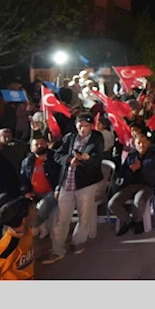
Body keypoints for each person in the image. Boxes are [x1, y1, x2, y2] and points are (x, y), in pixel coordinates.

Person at [42, 113, 105, 264]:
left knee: (84, 216)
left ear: (91, 126)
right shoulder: (69, 138)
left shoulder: (97, 138)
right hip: (66, 182)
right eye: (80, 126)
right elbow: (58, 155)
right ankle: (57, 249)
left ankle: (78, 241)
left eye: (86, 126)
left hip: (86, 183)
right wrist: (70, 159)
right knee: (62, 217)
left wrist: (84, 160)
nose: (83, 129)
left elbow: (97, 158)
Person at [110, 129, 155, 236]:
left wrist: (141, 167)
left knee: (138, 201)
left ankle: (138, 222)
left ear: (148, 143)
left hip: (147, 185)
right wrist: (131, 170)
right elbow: (122, 174)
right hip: (130, 186)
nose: (141, 145)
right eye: (138, 143)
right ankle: (128, 221)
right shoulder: (131, 156)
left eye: (144, 142)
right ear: (134, 144)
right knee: (112, 204)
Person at [19, 137, 61, 238]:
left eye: (42, 143)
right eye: (36, 145)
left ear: (47, 144)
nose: (39, 146)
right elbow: (23, 179)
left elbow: (62, 176)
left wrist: (58, 189)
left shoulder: (56, 158)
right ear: (31, 148)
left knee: (42, 206)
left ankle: (34, 225)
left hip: (52, 191)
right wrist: (26, 192)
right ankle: (40, 225)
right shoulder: (27, 161)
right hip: (34, 192)